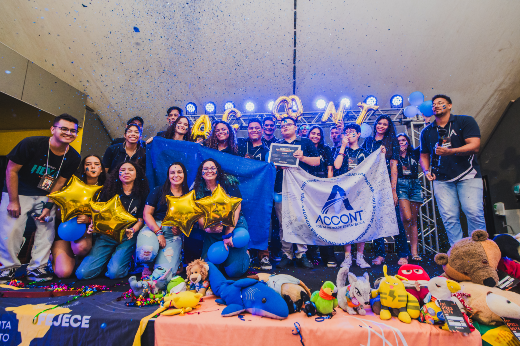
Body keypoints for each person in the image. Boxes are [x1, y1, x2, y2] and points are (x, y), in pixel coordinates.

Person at [0, 114, 82, 283]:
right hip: (19, 192)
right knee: (12, 229)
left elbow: (59, 183)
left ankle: (37, 267)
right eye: (64, 128)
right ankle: (6, 268)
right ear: (53, 129)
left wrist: (48, 205)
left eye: (73, 131)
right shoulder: (31, 143)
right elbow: (11, 171)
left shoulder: (73, 157)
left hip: (45, 194)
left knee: (47, 228)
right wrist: (13, 201)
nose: (68, 133)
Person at [419, 94, 484, 246]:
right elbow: (424, 155)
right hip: (441, 179)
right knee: (449, 217)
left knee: (473, 212)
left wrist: (451, 151)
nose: (435, 105)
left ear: (449, 106)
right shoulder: (427, 131)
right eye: (433, 104)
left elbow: (475, 146)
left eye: (440, 103)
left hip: (468, 175)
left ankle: (480, 250)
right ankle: (458, 253)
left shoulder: (464, 121)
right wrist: (426, 170)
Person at [76, 161, 149, 280]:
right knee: (82, 274)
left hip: (127, 236)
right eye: (123, 170)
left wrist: (133, 230)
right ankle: (106, 263)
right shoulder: (108, 191)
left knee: (114, 274)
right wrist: (94, 225)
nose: (126, 172)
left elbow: (141, 219)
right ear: (117, 174)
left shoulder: (143, 193)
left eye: (130, 170)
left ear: (137, 174)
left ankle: (123, 263)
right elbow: (99, 213)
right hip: (107, 235)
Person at [362, 114, 410, 266]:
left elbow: (394, 166)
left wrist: (393, 190)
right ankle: (380, 254)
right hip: (371, 185)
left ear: (389, 127)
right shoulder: (368, 141)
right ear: (375, 124)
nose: (381, 126)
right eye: (379, 123)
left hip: (387, 186)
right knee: (376, 220)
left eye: (385, 124)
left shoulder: (393, 141)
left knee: (395, 220)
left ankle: (403, 254)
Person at [274, 117, 320, 269]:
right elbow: (269, 167)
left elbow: (318, 161)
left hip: (301, 189)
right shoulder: (277, 146)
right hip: (280, 189)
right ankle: (286, 254)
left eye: (288, 125)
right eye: (282, 125)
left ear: (295, 127)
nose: (285, 127)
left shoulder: (305, 143)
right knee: (283, 223)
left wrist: (303, 158)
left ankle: (302, 253)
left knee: (301, 221)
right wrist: (276, 166)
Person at [51, 155, 107, 278]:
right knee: (63, 273)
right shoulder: (72, 186)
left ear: (101, 169)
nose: (92, 167)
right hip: (64, 230)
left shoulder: (106, 190)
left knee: (81, 248)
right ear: (83, 169)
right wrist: (72, 212)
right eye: (88, 164)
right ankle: (53, 257)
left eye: (97, 164)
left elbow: (108, 216)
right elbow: (58, 212)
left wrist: (90, 219)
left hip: (85, 231)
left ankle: (80, 260)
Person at [193, 159, 250, 277]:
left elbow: (237, 208)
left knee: (234, 272)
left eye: (212, 168)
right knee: (206, 270)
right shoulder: (198, 190)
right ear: (201, 172)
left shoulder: (228, 182)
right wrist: (207, 229)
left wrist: (228, 233)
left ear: (217, 170)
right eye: (206, 169)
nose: (209, 171)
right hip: (214, 229)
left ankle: (245, 254)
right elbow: (199, 215)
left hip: (234, 226)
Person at [136, 163, 187, 279]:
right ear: (168, 175)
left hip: (173, 235)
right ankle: (147, 265)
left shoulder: (188, 194)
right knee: (147, 253)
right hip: (154, 227)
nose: (176, 175)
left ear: (184, 174)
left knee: (163, 275)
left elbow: (189, 219)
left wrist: (181, 229)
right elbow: (147, 214)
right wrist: (158, 233)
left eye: (179, 172)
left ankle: (171, 260)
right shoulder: (158, 190)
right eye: (172, 172)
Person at [334, 123, 371, 268]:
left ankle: (360, 257)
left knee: (360, 222)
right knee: (346, 223)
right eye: (346, 132)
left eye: (352, 132)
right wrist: (343, 147)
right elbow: (337, 166)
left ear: (359, 134)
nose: (349, 134)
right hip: (344, 191)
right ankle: (347, 257)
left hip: (361, 191)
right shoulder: (340, 151)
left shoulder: (365, 153)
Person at [238, 118, 271, 270]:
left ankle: (264, 255)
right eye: (251, 128)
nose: (254, 130)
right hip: (242, 190)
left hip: (260, 192)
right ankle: (247, 254)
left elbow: (271, 169)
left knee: (262, 221)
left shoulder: (267, 150)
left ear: (262, 130)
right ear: (248, 130)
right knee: (244, 222)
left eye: (257, 128)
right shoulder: (239, 146)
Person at [306, 125, 337, 268]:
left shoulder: (326, 149)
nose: (315, 136)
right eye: (313, 133)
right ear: (308, 135)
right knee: (310, 221)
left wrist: (329, 186)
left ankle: (328, 255)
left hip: (323, 185)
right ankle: (312, 256)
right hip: (307, 187)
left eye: (318, 134)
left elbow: (330, 167)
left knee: (325, 220)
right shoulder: (304, 148)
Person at [396, 133, 423, 261]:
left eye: (403, 140)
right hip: (401, 185)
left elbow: (425, 143)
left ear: (408, 142)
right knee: (406, 218)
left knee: (413, 220)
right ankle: (403, 250)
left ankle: (414, 252)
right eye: (399, 141)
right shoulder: (393, 155)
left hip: (415, 184)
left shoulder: (414, 153)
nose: (401, 142)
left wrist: (426, 122)